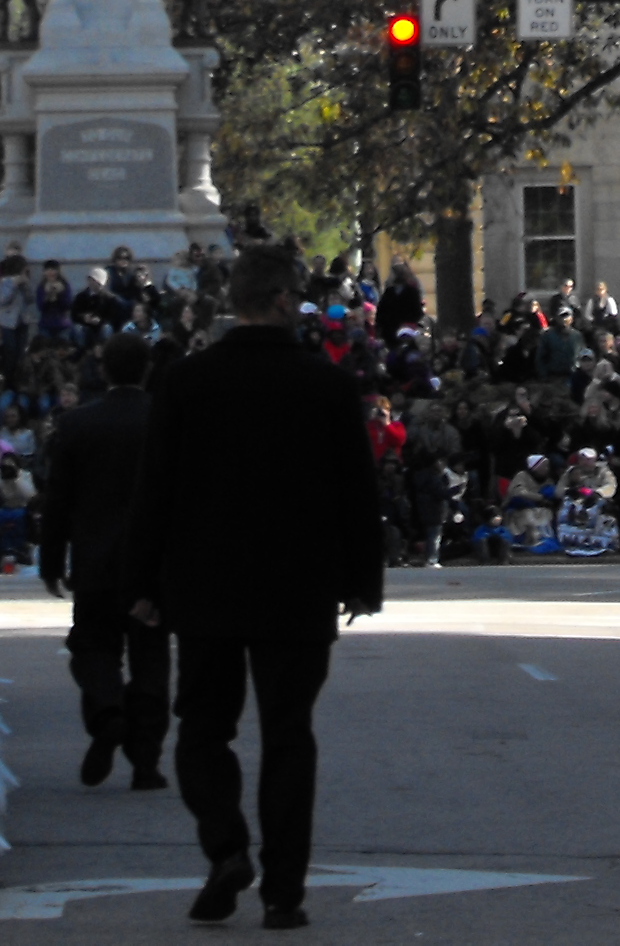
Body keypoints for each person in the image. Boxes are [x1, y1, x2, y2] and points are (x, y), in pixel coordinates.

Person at [125, 244, 381, 931]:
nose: (301, 307)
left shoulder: (185, 382)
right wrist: (363, 578)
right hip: (297, 584)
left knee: (203, 729)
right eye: (294, 296)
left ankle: (225, 845)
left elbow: (156, 490)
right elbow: (356, 487)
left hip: (204, 584)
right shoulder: (323, 383)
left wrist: (144, 580)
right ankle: (284, 893)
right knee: (288, 735)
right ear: (273, 299)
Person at [40, 331, 166, 791]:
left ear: (104, 370)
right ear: (147, 369)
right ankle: (146, 759)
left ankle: (108, 709)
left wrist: (51, 562)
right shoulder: (165, 421)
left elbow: (58, 501)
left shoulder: (76, 425)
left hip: (95, 561)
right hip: (153, 565)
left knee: (93, 647)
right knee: (151, 658)